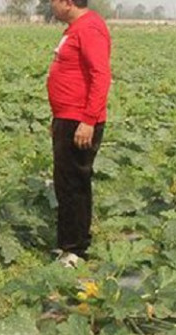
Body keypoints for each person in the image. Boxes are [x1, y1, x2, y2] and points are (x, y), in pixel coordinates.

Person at [47, 0, 112, 267]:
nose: (51, 5)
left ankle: (75, 250)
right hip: (67, 117)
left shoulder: (89, 28)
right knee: (65, 182)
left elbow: (101, 75)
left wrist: (88, 120)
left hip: (79, 120)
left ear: (67, 2)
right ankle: (67, 244)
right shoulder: (76, 28)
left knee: (74, 184)